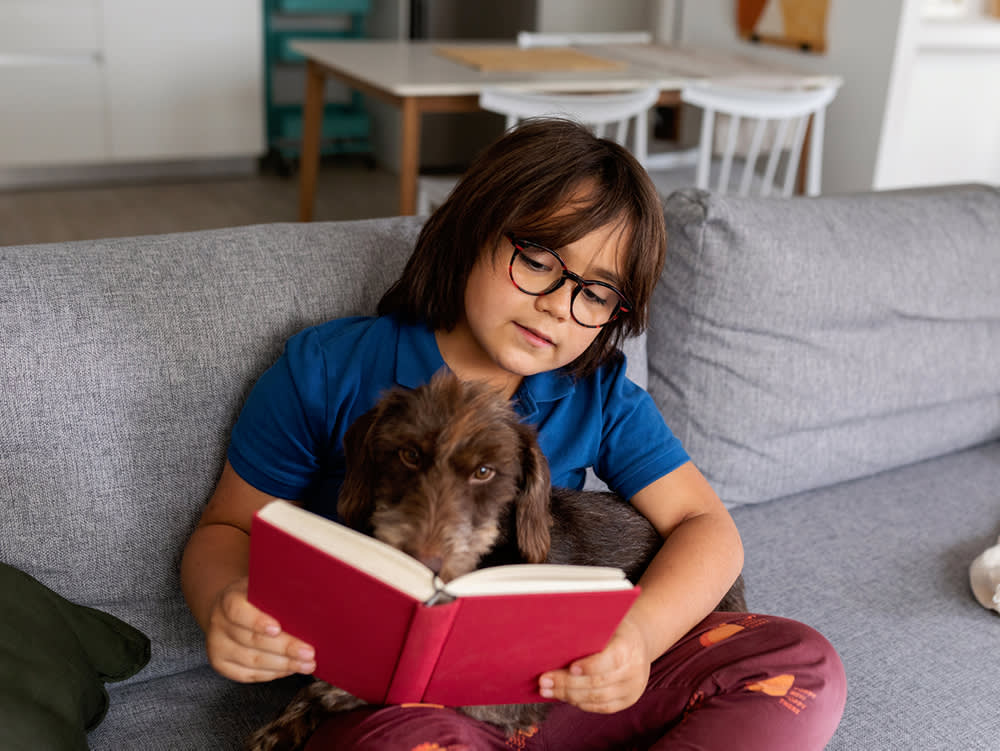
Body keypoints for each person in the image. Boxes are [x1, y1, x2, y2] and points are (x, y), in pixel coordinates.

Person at [181, 118, 846, 750]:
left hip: (573, 693)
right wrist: (225, 604)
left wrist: (636, 640)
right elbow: (226, 529)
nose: (558, 302)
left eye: (596, 293)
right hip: (405, 708)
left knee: (799, 663)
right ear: (473, 231)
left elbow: (709, 525)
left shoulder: (602, 396)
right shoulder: (329, 368)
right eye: (538, 258)